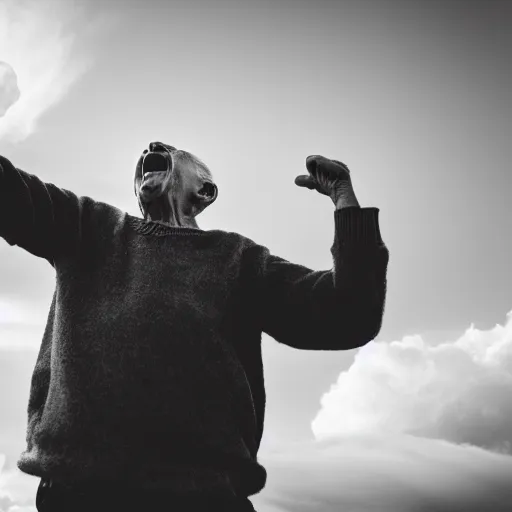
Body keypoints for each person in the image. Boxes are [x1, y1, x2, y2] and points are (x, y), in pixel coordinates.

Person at [0, 141, 389, 511]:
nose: (153, 148)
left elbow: (348, 314)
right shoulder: (88, 226)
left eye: (171, 151)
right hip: (77, 493)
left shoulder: (238, 260)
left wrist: (343, 196)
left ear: (205, 191)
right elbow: (11, 194)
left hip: (203, 497)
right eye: (150, 151)